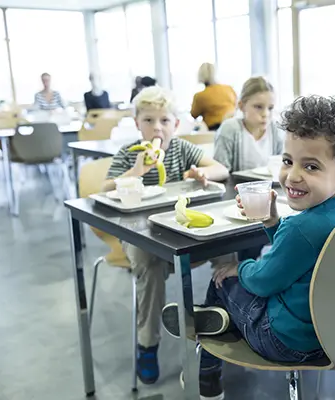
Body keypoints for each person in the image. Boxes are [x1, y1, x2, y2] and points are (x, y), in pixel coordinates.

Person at [161, 95, 335, 399]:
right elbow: (299, 260)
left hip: (289, 341)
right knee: (247, 283)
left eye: (310, 166)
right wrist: (273, 222)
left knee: (221, 280)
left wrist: (238, 267)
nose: (293, 175)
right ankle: (217, 319)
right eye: (288, 161)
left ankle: (206, 373)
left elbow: (264, 280)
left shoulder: (303, 228)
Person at [102, 86, 231, 385]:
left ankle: (226, 318)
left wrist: (202, 174)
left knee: (226, 247)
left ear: (175, 124)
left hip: (180, 231)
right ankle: (147, 344)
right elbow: (106, 189)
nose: (156, 128)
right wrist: (135, 171)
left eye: (164, 120)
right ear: (137, 123)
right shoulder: (129, 153)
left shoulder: (183, 149)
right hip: (139, 234)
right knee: (147, 261)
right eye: (148, 120)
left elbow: (221, 169)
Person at [213, 76, 285, 262]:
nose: (265, 114)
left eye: (270, 108)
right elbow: (220, 172)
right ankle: (245, 273)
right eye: (258, 107)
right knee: (250, 241)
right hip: (236, 201)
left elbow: (283, 165)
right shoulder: (230, 130)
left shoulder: (275, 130)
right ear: (242, 105)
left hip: (270, 199)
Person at [190, 63, 237, 130]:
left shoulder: (200, 96)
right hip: (233, 126)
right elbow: (236, 105)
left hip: (213, 130)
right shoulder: (229, 89)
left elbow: (194, 114)